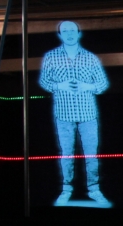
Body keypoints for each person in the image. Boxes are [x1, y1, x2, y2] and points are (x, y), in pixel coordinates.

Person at [38, 20, 110, 206]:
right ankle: (66, 189)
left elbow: (102, 84)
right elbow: (44, 81)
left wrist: (87, 86)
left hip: (88, 115)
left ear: (79, 33)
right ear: (60, 35)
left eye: (72, 30)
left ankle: (94, 189)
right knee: (66, 154)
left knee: (91, 155)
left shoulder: (90, 58)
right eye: (65, 31)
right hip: (63, 115)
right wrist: (59, 86)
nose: (69, 34)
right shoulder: (51, 57)